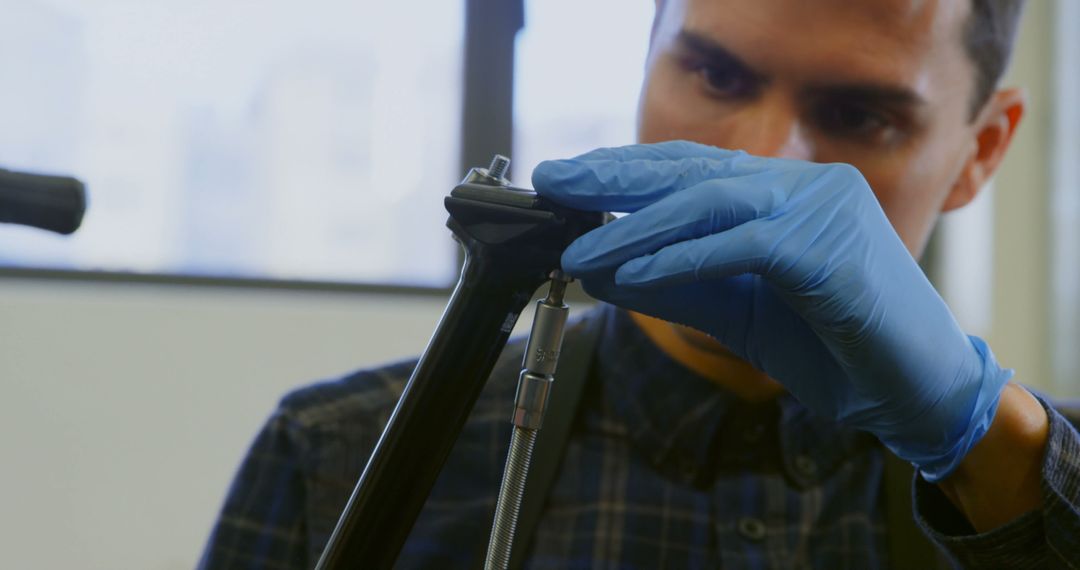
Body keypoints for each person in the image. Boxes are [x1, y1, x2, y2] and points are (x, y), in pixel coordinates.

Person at [200, 0, 1080, 568]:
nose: (763, 159)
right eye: (716, 74)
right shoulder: (337, 459)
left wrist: (982, 445)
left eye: (859, 115)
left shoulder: (1036, 467)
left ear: (982, 151)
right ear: (645, 58)